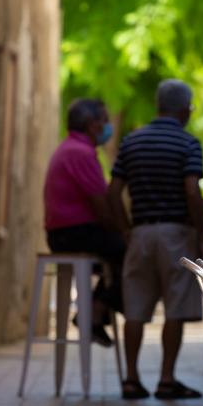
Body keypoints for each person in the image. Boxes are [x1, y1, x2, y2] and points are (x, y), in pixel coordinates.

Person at [107, 79, 203, 400]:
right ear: (184, 110)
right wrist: (202, 235)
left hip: (140, 233)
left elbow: (113, 193)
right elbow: (192, 190)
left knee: (135, 308)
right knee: (176, 307)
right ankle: (167, 379)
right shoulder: (188, 143)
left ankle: (131, 378)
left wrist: (126, 229)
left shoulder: (131, 142)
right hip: (176, 234)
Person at [43, 98, 123, 347]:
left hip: (64, 232)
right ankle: (94, 312)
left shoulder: (69, 149)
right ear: (91, 124)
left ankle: (94, 312)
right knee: (136, 258)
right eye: (104, 120)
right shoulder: (81, 153)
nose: (107, 126)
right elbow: (102, 206)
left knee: (123, 256)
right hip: (74, 234)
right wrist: (123, 232)